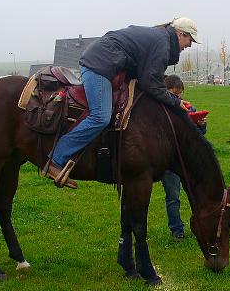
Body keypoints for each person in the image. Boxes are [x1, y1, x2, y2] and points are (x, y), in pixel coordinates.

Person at [42, 17, 199, 188]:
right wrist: (175, 102)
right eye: (190, 40)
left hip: (108, 64)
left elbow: (149, 76)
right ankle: (56, 160)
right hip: (99, 66)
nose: (190, 45)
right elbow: (151, 83)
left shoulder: (161, 39)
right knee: (100, 116)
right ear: (180, 34)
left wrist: (174, 99)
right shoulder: (163, 44)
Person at [161, 74, 207, 240]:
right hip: (170, 162)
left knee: (195, 194)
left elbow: (199, 135)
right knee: (173, 196)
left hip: (187, 160)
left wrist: (201, 125)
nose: (179, 97)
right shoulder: (160, 111)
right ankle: (177, 229)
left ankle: (201, 224)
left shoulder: (188, 108)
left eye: (180, 93)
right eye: (175, 93)